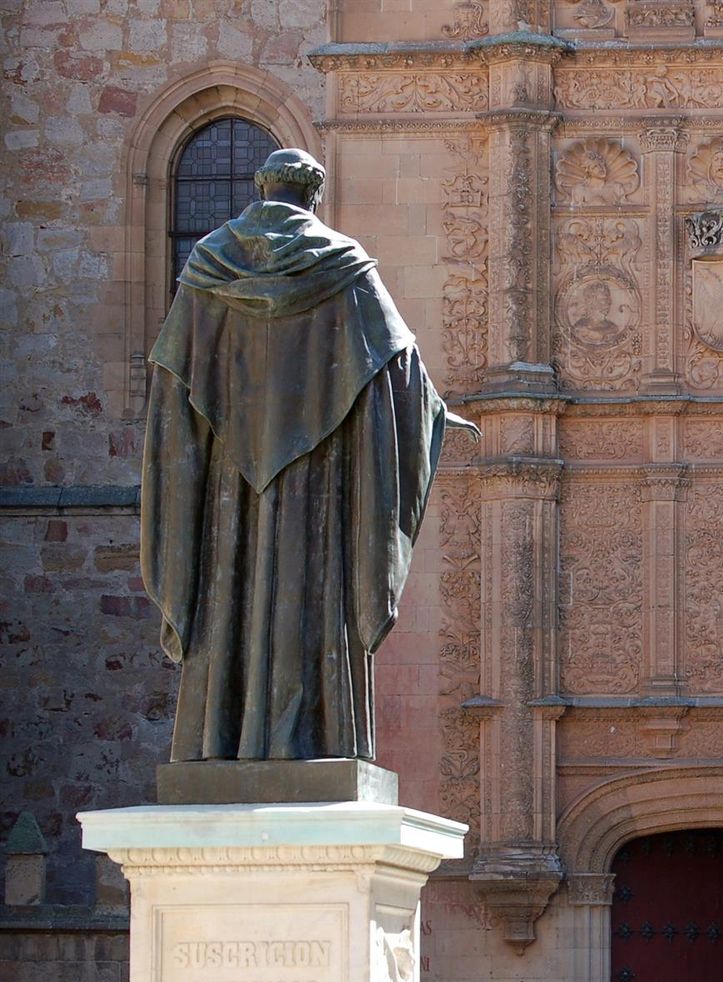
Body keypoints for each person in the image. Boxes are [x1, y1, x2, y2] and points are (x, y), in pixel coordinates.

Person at [141, 148, 475, 761]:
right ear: (314, 196)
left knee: (230, 588)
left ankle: (221, 740)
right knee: (313, 592)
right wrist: (431, 412)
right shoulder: (343, 265)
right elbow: (395, 366)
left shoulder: (208, 265)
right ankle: (317, 739)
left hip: (227, 485)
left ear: (262, 188)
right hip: (319, 483)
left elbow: (172, 380)